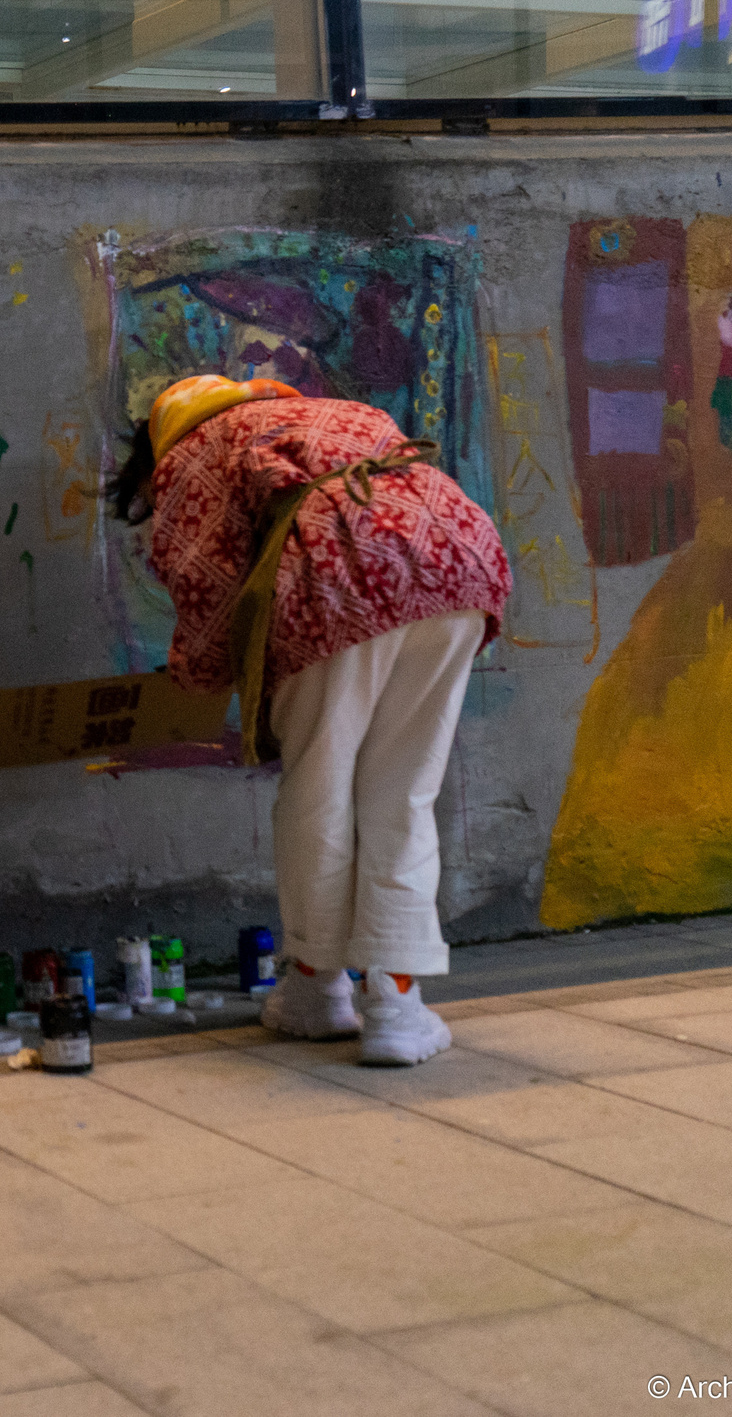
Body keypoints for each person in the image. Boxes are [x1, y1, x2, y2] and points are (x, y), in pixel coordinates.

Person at [109, 375, 512, 1065]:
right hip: (455, 563)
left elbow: (206, 580)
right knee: (403, 794)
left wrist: (192, 682)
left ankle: (316, 989)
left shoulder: (194, 449)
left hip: (337, 584)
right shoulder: (330, 412)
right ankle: (396, 1006)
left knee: (319, 789)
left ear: (153, 451)